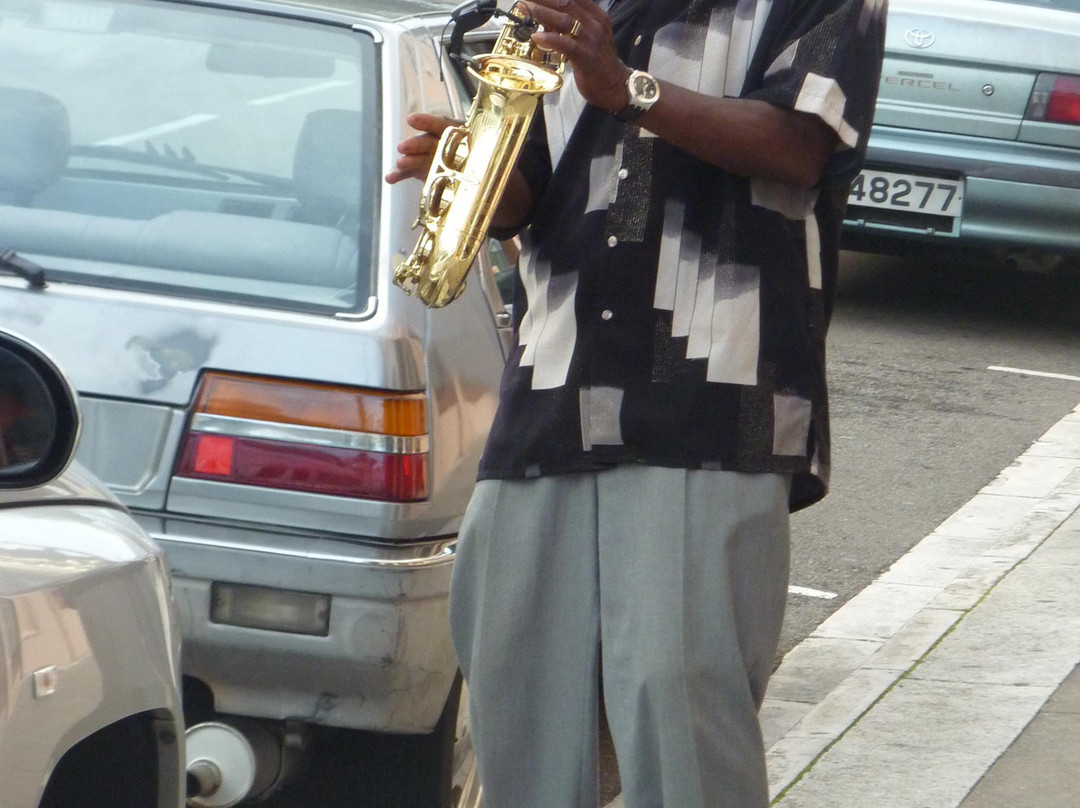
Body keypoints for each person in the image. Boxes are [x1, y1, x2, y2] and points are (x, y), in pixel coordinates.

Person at [387, 0, 886, 805]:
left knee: (677, 707)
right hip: (553, 388)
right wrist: (478, 167)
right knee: (515, 690)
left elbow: (800, 144)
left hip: (708, 398)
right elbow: (539, 194)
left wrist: (626, 87)